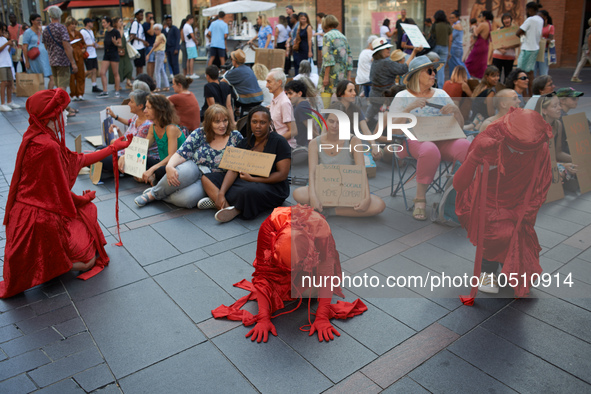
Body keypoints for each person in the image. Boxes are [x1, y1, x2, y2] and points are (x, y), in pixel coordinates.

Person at [0, 88, 133, 298]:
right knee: (88, 260)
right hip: (38, 221)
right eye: (62, 111)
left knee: (87, 222)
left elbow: (76, 161)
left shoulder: (40, 135)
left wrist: (112, 148)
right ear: (51, 117)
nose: (66, 115)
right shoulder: (47, 146)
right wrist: (80, 199)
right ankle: (50, 265)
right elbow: (53, 192)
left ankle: (49, 265)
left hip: (34, 215)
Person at [212, 205, 368, 342]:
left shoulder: (320, 229)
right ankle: (287, 273)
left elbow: (326, 274)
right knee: (276, 289)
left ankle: (298, 275)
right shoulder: (268, 228)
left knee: (311, 291)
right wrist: (263, 317)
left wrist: (322, 316)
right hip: (282, 262)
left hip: (309, 265)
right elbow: (262, 273)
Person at [454, 107, 552, 302]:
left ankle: (501, 263)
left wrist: (527, 210)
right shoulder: (489, 138)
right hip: (487, 200)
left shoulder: (540, 146)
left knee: (520, 239)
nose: (519, 151)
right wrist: (475, 157)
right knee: (501, 232)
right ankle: (488, 270)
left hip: (520, 201)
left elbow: (542, 184)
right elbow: (459, 184)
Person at [389, 55, 468, 221]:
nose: (434, 74)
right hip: (413, 140)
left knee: (465, 145)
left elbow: (459, 126)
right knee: (429, 149)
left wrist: (456, 111)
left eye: (434, 71)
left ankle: (459, 195)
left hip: (443, 138)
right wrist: (409, 108)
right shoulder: (402, 96)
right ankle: (420, 199)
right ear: (417, 75)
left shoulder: (441, 93)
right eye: (429, 71)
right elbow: (392, 128)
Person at [135, 105, 243, 209]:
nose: (222, 125)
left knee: (185, 200)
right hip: (194, 168)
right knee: (184, 171)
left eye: (225, 120)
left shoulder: (235, 137)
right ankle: (153, 194)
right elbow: (181, 153)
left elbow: (243, 159)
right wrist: (170, 166)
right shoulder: (200, 133)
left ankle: (161, 192)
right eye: (217, 122)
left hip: (211, 181)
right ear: (209, 122)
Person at [293, 102, 386, 217]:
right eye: (331, 121)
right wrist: (313, 196)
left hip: (348, 189)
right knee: (298, 194)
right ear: (325, 121)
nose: (334, 125)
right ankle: (335, 206)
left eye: (339, 122)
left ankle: (329, 211)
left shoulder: (354, 141)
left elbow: (361, 172)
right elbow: (312, 173)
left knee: (379, 205)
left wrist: (366, 198)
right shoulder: (314, 143)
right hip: (324, 188)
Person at [201, 106, 291, 223]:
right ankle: (226, 205)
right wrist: (221, 193)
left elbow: (282, 175)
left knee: (248, 191)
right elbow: (233, 169)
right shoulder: (245, 142)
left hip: (271, 185)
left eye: (262, 122)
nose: (258, 126)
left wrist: (253, 179)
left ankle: (227, 205)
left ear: (269, 123)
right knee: (207, 178)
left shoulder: (279, 142)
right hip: (246, 180)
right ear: (250, 123)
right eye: (254, 122)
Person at [104, 90, 157, 180]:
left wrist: (118, 145)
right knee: (99, 151)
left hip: (136, 158)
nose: (128, 104)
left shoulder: (147, 125)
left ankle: (122, 170)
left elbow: (137, 148)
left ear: (140, 106)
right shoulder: (136, 117)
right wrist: (119, 132)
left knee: (100, 158)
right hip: (126, 153)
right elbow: (128, 140)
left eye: (131, 102)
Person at [367, 38, 416, 123]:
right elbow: (404, 68)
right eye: (387, 48)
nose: (389, 49)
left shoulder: (375, 62)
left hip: (374, 95)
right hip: (387, 98)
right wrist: (414, 52)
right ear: (380, 51)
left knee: (368, 119)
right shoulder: (386, 63)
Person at [44, 6, 78, 113]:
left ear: (50, 16)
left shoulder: (46, 29)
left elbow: (46, 46)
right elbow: (66, 46)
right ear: (60, 15)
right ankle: (62, 109)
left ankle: (65, 107)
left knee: (58, 86)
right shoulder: (61, 28)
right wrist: (73, 63)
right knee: (62, 86)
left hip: (52, 60)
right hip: (63, 60)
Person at [318, 15, 353, 104]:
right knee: (340, 99)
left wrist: (326, 76)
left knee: (325, 100)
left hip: (330, 73)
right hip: (342, 73)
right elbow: (349, 56)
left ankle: (325, 116)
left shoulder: (327, 36)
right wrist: (349, 76)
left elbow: (328, 57)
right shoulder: (343, 36)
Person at [222, 49, 264, 117]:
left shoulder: (236, 71)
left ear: (235, 61)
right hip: (259, 97)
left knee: (228, 87)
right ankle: (237, 109)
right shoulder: (248, 68)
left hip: (247, 100)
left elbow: (223, 81)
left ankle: (234, 109)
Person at [536, 93, 573, 164]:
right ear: (544, 111)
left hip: (552, 164)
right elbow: (537, 159)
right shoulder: (537, 128)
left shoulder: (558, 124)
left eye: (559, 104)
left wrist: (579, 159)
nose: (560, 108)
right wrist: (561, 165)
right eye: (555, 106)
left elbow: (558, 153)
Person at [516, 2, 543, 95]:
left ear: (530, 10)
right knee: (530, 74)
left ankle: (524, 97)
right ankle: (531, 96)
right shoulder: (540, 20)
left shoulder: (530, 20)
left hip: (527, 49)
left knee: (521, 74)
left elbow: (518, 32)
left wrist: (523, 34)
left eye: (526, 10)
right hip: (535, 48)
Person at [23, 14, 53, 90]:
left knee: (52, 77)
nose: (39, 22)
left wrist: (41, 32)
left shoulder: (42, 30)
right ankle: (40, 95)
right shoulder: (28, 32)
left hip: (44, 57)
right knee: (38, 78)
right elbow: (25, 47)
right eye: (37, 20)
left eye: (40, 20)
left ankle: (49, 94)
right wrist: (26, 61)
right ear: (32, 21)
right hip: (35, 58)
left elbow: (47, 41)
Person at [267, 68, 295, 148]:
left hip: (284, 147)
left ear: (279, 82)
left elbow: (293, 131)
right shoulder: (275, 99)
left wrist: (275, 141)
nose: (266, 85)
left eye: (269, 82)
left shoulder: (284, 102)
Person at [285, 79, 314, 153]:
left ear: (299, 93)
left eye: (290, 93)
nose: (288, 96)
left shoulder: (302, 106)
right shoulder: (298, 105)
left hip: (300, 147)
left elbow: (312, 129)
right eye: (287, 94)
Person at [97, 17, 121, 99]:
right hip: (106, 54)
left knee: (115, 73)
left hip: (114, 53)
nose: (103, 24)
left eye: (104, 22)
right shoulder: (106, 32)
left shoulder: (115, 32)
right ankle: (105, 91)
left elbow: (120, 44)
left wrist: (115, 43)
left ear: (109, 23)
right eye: (102, 23)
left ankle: (117, 91)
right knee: (102, 72)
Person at [64, 17, 86, 102]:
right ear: (68, 25)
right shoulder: (65, 34)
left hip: (79, 56)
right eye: (72, 24)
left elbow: (84, 44)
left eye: (75, 24)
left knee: (80, 75)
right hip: (70, 56)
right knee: (71, 77)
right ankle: (73, 93)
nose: (74, 26)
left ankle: (80, 93)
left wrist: (83, 49)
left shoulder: (78, 33)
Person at [465, 10, 493, 79]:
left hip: (479, 45)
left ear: (484, 17)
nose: (479, 17)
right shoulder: (489, 24)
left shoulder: (483, 24)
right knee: (481, 63)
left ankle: (467, 75)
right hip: (485, 45)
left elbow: (476, 33)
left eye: (480, 16)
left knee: (469, 61)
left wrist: (474, 27)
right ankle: (480, 77)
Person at [492, 13, 519, 83]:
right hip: (498, 56)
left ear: (511, 19)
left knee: (508, 75)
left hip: (509, 57)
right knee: (497, 75)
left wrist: (508, 46)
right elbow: (494, 42)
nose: (506, 20)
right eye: (504, 19)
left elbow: (518, 43)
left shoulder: (514, 30)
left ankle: (506, 91)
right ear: (502, 21)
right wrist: (500, 50)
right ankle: (497, 90)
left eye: (508, 18)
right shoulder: (499, 30)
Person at [108, 17, 133, 91]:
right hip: (117, 52)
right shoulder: (116, 31)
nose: (121, 23)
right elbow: (120, 37)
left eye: (122, 21)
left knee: (129, 67)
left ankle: (128, 81)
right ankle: (117, 84)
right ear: (115, 23)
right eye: (120, 21)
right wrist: (122, 28)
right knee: (118, 69)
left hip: (124, 52)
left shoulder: (123, 30)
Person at [431, 10, 453, 89]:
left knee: (433, 67)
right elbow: (450, 39)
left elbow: (430, 36)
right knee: (441, 69)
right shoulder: (448, 25)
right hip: (444, 48)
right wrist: (449, 51)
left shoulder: (434, 25)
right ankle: (440, 88)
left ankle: (432, 85)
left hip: (435, 47)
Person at [0, 22, 18, 112]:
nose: (3, 32)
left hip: (8, 63)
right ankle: (2, 103)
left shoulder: (3, 39)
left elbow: (7, 51)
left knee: (10, 82)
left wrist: (10, 45)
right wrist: (7, 44)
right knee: (4, 82)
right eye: (2, 30)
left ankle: (9, 101)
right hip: (1, 64)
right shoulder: (3, 40)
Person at [145, 24, 169, 92]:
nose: (156, 31)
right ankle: (167, 86)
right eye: (155, 29)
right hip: (159, 53)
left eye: (157, 29)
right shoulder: (158, 36)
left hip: (159, 53)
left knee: (157, 70)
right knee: (161, 70)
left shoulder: (160, 36)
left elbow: (155, 46)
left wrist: (148, 54)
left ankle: (158, 87)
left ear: (160, 30)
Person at [80, 18, 102, 93]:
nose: (92, 24)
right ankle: (80, 79)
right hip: (87, 53)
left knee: (94, 70)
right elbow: (81, 43)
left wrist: (95, 44)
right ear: (87, 23)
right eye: (91, 22)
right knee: (89, 70)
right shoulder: (82, 31)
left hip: (93, 53)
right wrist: (90, 45)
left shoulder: (91, 31)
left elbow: (92, 41)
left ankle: (94, 85)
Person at [447, 10, 469, 80]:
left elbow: (451, 38)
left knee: (456, 64)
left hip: (455, 48)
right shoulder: (457, 25)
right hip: (459, 48)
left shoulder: (456, 26)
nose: (451, 19)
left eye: (453, 18)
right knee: (457, 64)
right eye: (450, 18)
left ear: (457, 18)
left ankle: (468, 78)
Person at [535, 10, 554, 77]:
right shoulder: (535, 26)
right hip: (535, 51)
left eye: (540, 16)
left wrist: (542, 40)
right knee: (532, 72)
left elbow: (550, 39)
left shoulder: (550, 27)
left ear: (545, 17)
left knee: (543, 73)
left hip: (544, 52)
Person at [129, 9, 148, 75]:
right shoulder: (135, 23)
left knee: (141, 66)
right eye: (140, 15)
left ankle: (141, 78)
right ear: (136, 16)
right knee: (138, 66)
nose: (142, 17)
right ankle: (138, 79)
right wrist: (143, 41)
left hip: (141, 47)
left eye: (142, 15)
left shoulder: (140, 24)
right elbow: (132, 35)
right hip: (137, 48)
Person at [143, 11, 156, 78]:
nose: (151, 19)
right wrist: (151, 24)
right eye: (150, 17)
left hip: (153, 45)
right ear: (146, 17)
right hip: (149, 46)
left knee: (153, 62)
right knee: (150, 62)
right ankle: (149, 77)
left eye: (152, 17)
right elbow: (151, 33)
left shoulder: (152, 25)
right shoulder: (145, 25)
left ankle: (152, 77)